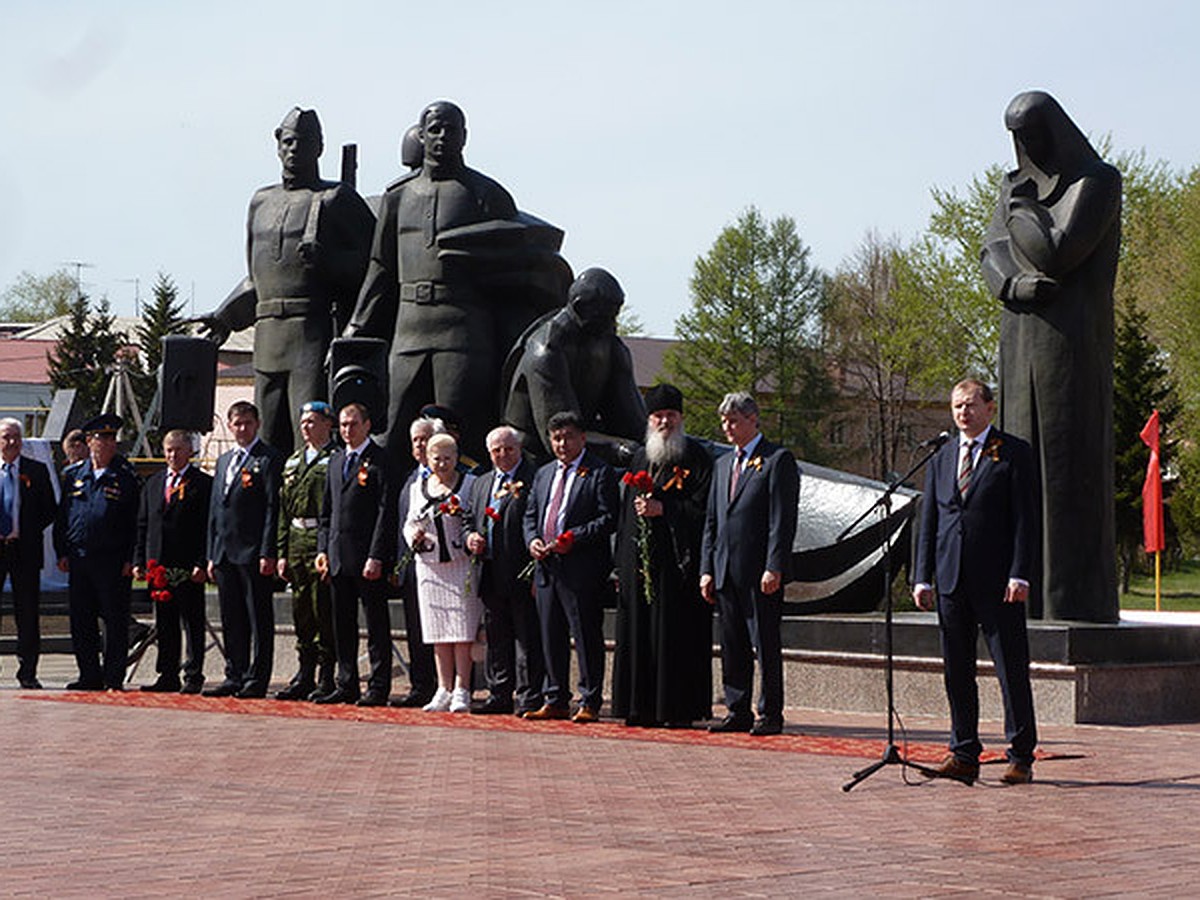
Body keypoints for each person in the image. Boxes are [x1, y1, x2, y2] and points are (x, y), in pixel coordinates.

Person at [346, 100, 568, 466]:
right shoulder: (397, 196)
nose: (442, 136)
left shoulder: (486, 193)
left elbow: (517, 259)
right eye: (434, 129)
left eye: (451, 129)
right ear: (422, 134)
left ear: (464, 137)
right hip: (409, 328)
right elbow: (381, 267)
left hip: (463, 329)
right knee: (399, 428)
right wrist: (358, 325)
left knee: (459, 430)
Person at [980, 91, 1122, 624]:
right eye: (1017, 136)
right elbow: (990, 252)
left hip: (1072, 348)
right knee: (1019, 467)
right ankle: (1023, 593)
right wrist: (1013, 286)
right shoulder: (1012, 184)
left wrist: (1021, 207)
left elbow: (1057, 252)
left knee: (1067, 474)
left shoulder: (1098, 182)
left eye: (1033, 134)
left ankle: (1070, 600)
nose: (1025, 147)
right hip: (1019, 341)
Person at [198, 107, 375, 455]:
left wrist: (330, 261)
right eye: (289, 141)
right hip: (267, 336)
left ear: (319, 146)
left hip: (311, 333)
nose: (295, 149)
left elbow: (374, 268)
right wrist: (224, 317)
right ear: (278, 144)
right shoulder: (261, 202)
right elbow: (256, 280)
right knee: (264, 440)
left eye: (304, 142)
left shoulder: (336, 199)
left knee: (308, 433)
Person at [912, 379, 1038, 785]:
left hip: (999, 581)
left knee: (1010, 668)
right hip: (951, 579)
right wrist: (921, 576)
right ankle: (964, 751)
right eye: (956, 406)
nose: (962, 413)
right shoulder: (942, 456)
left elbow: (1025, 521)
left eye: (969, 405)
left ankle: (1020, 754)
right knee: (957, 670)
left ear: (990, 408)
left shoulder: (1013, 453)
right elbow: (929, 521)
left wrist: (1020, 572)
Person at [612, 385, 714, 727]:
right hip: (640, 568)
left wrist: (664, 509)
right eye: (658, 416)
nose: (664, 422)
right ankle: (640, 707)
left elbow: (703, 513)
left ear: (681, 418)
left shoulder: (697, 457)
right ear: (649, 420)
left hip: (676, 569)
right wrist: (621, 567)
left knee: (675, 638)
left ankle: (676, 709)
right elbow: (625, 515)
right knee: (639, 635)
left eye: (670, 415)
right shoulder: (641, 458)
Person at [700, 392, 799, 736]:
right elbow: (713, 521)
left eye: (735, 420)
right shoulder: (723, 464)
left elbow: (781, 520)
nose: (728, 427)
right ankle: (737, 708)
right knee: (732, 644)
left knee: (765, 644)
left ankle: (770, 713)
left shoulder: (776, 460)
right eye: (725, 421)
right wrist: (707, 568)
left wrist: (775, 565)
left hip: (760, 573)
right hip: (726, 569)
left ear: (753, 419)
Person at [522, 411, 619, 722]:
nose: (562, 443)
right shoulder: (543, 473)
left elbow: (608, 519)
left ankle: (590, 700)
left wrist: (573, 538)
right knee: (550, 635)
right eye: (556, 438)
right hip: (547, 567)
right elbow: (530, 514)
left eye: (568, 437)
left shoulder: (599, 472)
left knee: (585, 635)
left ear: (582, 438)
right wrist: (532, 540)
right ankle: (556, 698)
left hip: (581, 569)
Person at [503, 267, 647, 461]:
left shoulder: (610, 345)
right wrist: (622, 450)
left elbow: (633, 422)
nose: (612, 323)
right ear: (580, 308)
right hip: (532, 458)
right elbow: (559, 438)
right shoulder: (546, 350)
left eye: (615, 314)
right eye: (605, 316)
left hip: (583, 442)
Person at [314, 402, 398, 706]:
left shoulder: (380, 460)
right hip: (338, 556)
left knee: (376, 624)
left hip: (367, 559)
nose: (347, 430)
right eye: (343, 425)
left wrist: (376, 555)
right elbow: (327, 512)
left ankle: (378, 686)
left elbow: (385, 512)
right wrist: (322, 549)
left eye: (353, 424)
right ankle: (346, 683)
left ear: (366, 425)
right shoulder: (336, 461)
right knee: (343, 625)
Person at [53, 413, 141, 691]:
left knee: (114, 620)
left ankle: (113, 675)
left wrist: (131, 559)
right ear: (89, 442)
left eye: (112, 439)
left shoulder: (125, 476)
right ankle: (89, 674)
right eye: (102, 439)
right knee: (82, 619)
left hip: (112, 560)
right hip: (79, 558)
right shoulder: (74, 476)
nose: (108, 444)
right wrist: (61, 551)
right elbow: (63, 517)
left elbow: (136, 523)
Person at [205, 401, 283, 698]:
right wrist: (212, 553)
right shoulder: (224, 460)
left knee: (257, 618)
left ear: (257, 424)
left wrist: (268, 551)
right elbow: (216, 509)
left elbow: (272, 509)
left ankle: (256, 677)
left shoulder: (268, 458)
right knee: (231, 617)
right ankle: (234, 673)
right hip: (224, 552)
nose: (242, 429)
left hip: (253, 552)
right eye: (237, 423)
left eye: (247, 423)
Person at [464, 425, 543, 715]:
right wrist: (469, 537)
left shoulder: (534, 478)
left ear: (519, 449)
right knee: (496, 638)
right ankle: (499, 693)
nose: (503, 455)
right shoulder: (482, 482)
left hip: (522, 571)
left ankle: (528, 695)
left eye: (509, 449)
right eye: (496, 450)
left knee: (527, 638)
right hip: (489, 571)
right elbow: (468, 520)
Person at [403, 433, 479, 712]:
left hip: (460, 564)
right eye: (437, 457)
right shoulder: (417, 487)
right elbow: (409, 522)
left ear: (456, 458)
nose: (442, 463)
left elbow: (474, 517)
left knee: (462, 629)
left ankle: (462, 688)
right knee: (437, 630)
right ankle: (443, 688)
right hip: (429, 567)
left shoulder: (469, 484)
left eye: (448, 457)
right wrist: (415, 536)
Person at [132, 430, 212, 694]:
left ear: (190, 451)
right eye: (168, 450)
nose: (172, 455)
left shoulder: (202, 484)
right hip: (159, 566)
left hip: (188, 565)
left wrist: (202, 561)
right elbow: (143, 524)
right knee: (165, 621)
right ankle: (167, 673)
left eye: (178, 449)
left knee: (192, 621)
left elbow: (207, 527)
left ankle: (193, 673)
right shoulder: (154, 483)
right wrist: (140, 560)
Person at [275, 401, 337, 700]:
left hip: (320, 539)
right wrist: (282, 551)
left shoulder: (334, 459)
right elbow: (283, 511)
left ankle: (327, 674)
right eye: (303, 422)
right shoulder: (292, 462)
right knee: (301, 611)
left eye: (313, 421)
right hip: (297, 541)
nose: (306, 426)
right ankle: (304, 672)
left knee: (322, 609)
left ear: (328, 424)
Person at [388, 415, 441, 708]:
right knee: (415, 627)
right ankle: (420, 685)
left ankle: (443, 684)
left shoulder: (451, 476)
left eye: (425, 439)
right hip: (412, 567)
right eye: (416, 441)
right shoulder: (409, 478)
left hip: (442, 567)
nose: (420, 445)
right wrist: (399, 565)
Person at [0, 418, 57, 689]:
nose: (11, 442)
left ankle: (28, 672)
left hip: (25, 549)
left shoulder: (36, 470)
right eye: (6, 436)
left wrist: (27, 529)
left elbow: (49, 509)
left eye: (15, 437)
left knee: (27, 612)